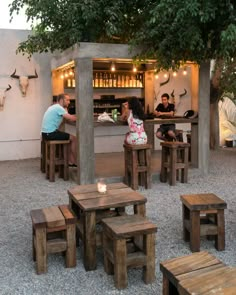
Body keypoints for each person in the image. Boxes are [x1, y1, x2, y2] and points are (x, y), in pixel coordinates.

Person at [41, 93, 77, 167]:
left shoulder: (54, 107)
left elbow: (67, 116)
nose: (69, 102)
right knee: (74, 138)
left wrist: (66, 109)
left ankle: (71, 161)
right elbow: (72, 118)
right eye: (67, 100)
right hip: (50, 134)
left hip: (46, 133)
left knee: (69, 138)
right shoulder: (58, 108)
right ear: (61, 100)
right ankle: (74, 161)